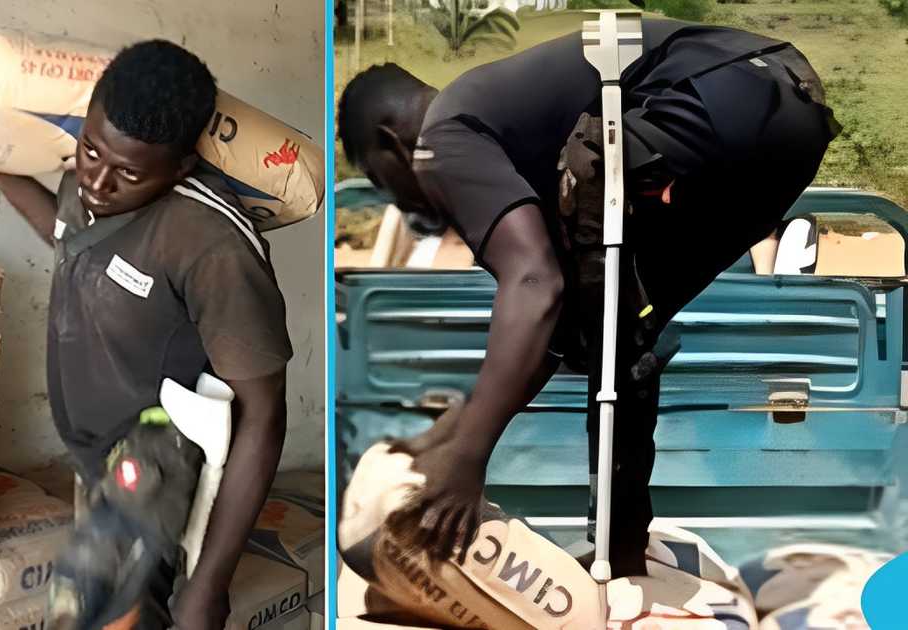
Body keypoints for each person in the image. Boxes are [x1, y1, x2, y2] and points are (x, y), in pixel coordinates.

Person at [337, 17, 839, 577]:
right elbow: (552, 318)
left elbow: (534, 284)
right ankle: (622, 558)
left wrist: (467, 459)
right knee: (613, 324)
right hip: (792, 116)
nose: (395, 200)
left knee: (591, 250)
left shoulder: (441, 134)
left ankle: (618, 550)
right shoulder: (502, 134)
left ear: (390, 142)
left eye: (379, 179)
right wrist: (454, 432)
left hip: (718, 92)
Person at [0, 40, 293, 630]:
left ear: (180, 169)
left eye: (127, 172)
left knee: (88, 608)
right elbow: (70, 236)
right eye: (91, 150)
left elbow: (265, 413)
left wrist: (211, 583)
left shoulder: (210, 245)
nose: (98, 181)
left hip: (155, 453)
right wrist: (0, 174)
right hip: (92, 445)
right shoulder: (90, 180)